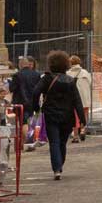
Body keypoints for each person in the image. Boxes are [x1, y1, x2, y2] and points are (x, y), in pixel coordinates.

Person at [39, 52, 84, 180]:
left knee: (54, 142)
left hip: (51, 114)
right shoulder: (70, 80)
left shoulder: (46, 79)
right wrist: (82, 118)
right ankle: (60, 164)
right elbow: (77, 100)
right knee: (62, 142)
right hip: (67, 116)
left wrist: (36, 107)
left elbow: (35, 92)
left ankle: (56, 169)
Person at [9, 56, 44, 148]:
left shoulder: (17, 75)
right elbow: (39, 88)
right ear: (28, 64)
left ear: (20, 65)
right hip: (33, 101)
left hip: (20, 102)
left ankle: (29, 142)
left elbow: (11, 88)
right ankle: (22, 143)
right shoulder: (36, 74)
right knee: (29, 121)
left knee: (23, 122)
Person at [69, 56, 94, 143]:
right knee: (84, 115)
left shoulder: (68, 73)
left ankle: (75, 136)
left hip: (74, 99)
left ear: (70, 63)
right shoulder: (86, 72)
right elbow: (91, 84)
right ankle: (83, 130)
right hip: (85, 98)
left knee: (75, 117)